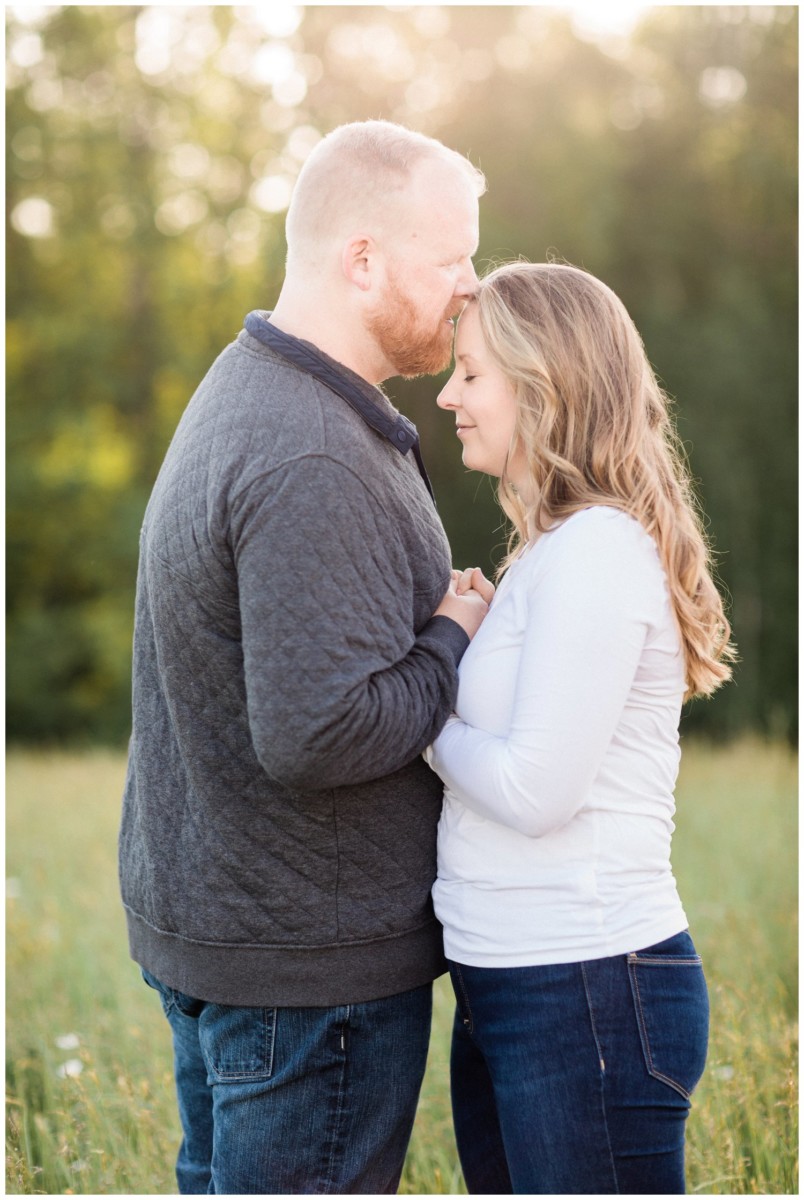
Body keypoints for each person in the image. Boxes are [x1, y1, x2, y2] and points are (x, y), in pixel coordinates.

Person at [118, 120, 493, 1195]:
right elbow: (318, 731)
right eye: (450, 260)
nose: (469, 289)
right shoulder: (309, 452)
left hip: (247, 939)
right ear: (362, 259)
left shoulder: (260, 391)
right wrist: (452, 638)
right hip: (306, 977)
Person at [425, 261, 735, 1195]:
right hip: (514, 981)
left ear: (543, 383)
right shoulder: (550, 555)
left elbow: (534, 790)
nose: (448, 396)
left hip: (588, 987)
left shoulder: (598, 552)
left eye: (471, 374)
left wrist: (417, 698)